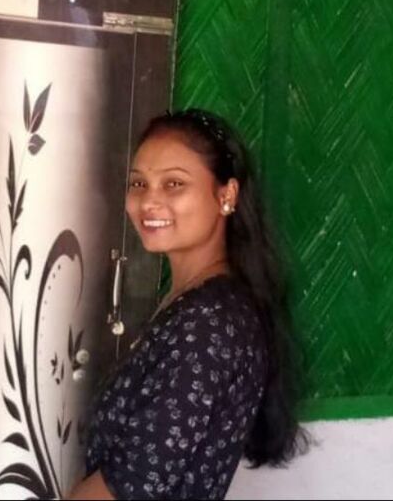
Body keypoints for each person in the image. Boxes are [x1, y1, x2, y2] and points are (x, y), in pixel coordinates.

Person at [69, 109, 308, 500]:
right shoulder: (195, 302)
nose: (149, 201)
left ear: (226, 195)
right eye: (139, 183)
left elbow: (133, 483)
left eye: (174, 184)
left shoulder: (209, 324)